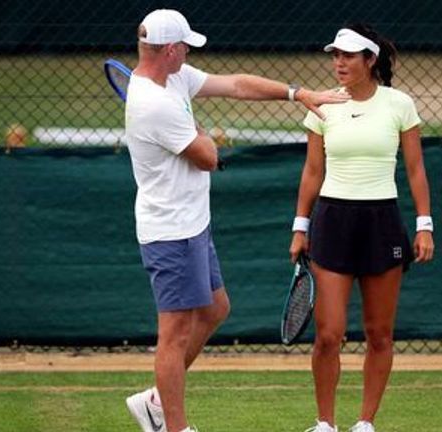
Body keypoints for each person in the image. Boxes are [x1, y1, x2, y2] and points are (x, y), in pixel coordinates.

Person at [123, 9, 350, 432]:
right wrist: (199, 131)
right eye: (185, 45)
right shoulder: (153, 104)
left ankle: (156, 399)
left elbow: (236, 84)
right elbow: (209, 157)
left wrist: (296, 93)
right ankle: (174, 426)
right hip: (170, 232)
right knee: (173, 335)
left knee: (215, 309)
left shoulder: (174, 76)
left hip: (192, 224)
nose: (189, 51)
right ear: (170, 49)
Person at [289, 24, 435, 432]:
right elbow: (312, 171)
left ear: (370, 60)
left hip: (382, 223)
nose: (339, 63)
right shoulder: (321, 105)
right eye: (335, 55)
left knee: (379, 334)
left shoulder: (399, 104)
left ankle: (365, 423)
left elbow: (415, 168)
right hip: (333, 221)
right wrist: (300, 227)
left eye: (348, 56)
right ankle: (324, 423)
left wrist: (425, 225)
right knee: (329, 335)